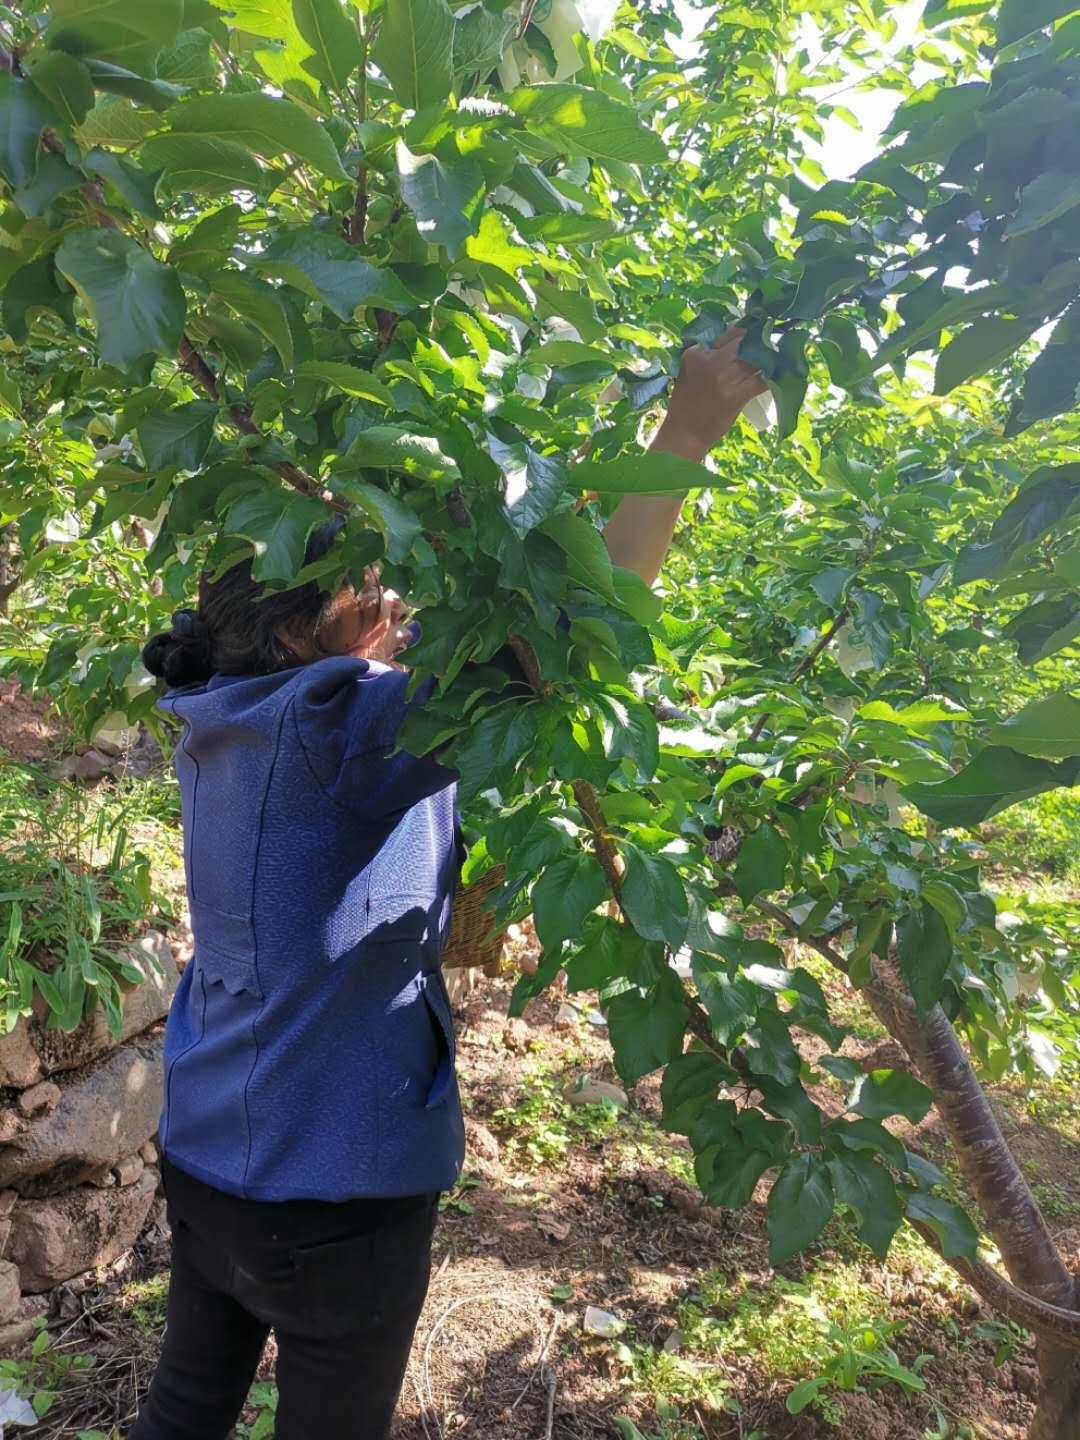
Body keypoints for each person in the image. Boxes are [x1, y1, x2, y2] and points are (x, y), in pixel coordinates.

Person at [129, 328, 765, 1440]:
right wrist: (688, 429)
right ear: (298, 629)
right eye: (374, 596)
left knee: (187, 1405)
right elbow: (574, 637)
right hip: (332, 1189)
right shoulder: (337, 721)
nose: (401, 615)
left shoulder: (220, 717)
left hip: (211, 1152)